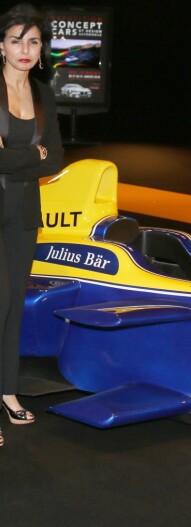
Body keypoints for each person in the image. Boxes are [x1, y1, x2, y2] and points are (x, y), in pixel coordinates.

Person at [0, 2, 64, 446]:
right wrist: (31, 157)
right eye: (16, 39)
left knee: (13, 308)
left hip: (24, 214)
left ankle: (7, 390)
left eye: (34, 41)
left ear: (42, 50)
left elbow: (56, 158)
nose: (25, 49)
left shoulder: (44, 95)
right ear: (0, 44)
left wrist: (15, 157)